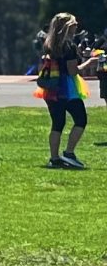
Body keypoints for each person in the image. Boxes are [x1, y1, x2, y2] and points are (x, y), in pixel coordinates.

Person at [38, 13, 94, 169]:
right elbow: (73, 71)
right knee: (81, 119)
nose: (77, 26)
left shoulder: (48, 44)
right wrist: (89, 63)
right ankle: (69, 153)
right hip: (67, 88)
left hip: (51, 88)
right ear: (67, 27)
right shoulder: (69, 46)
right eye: (74, 24)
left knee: (57, 123)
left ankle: (54, 158)